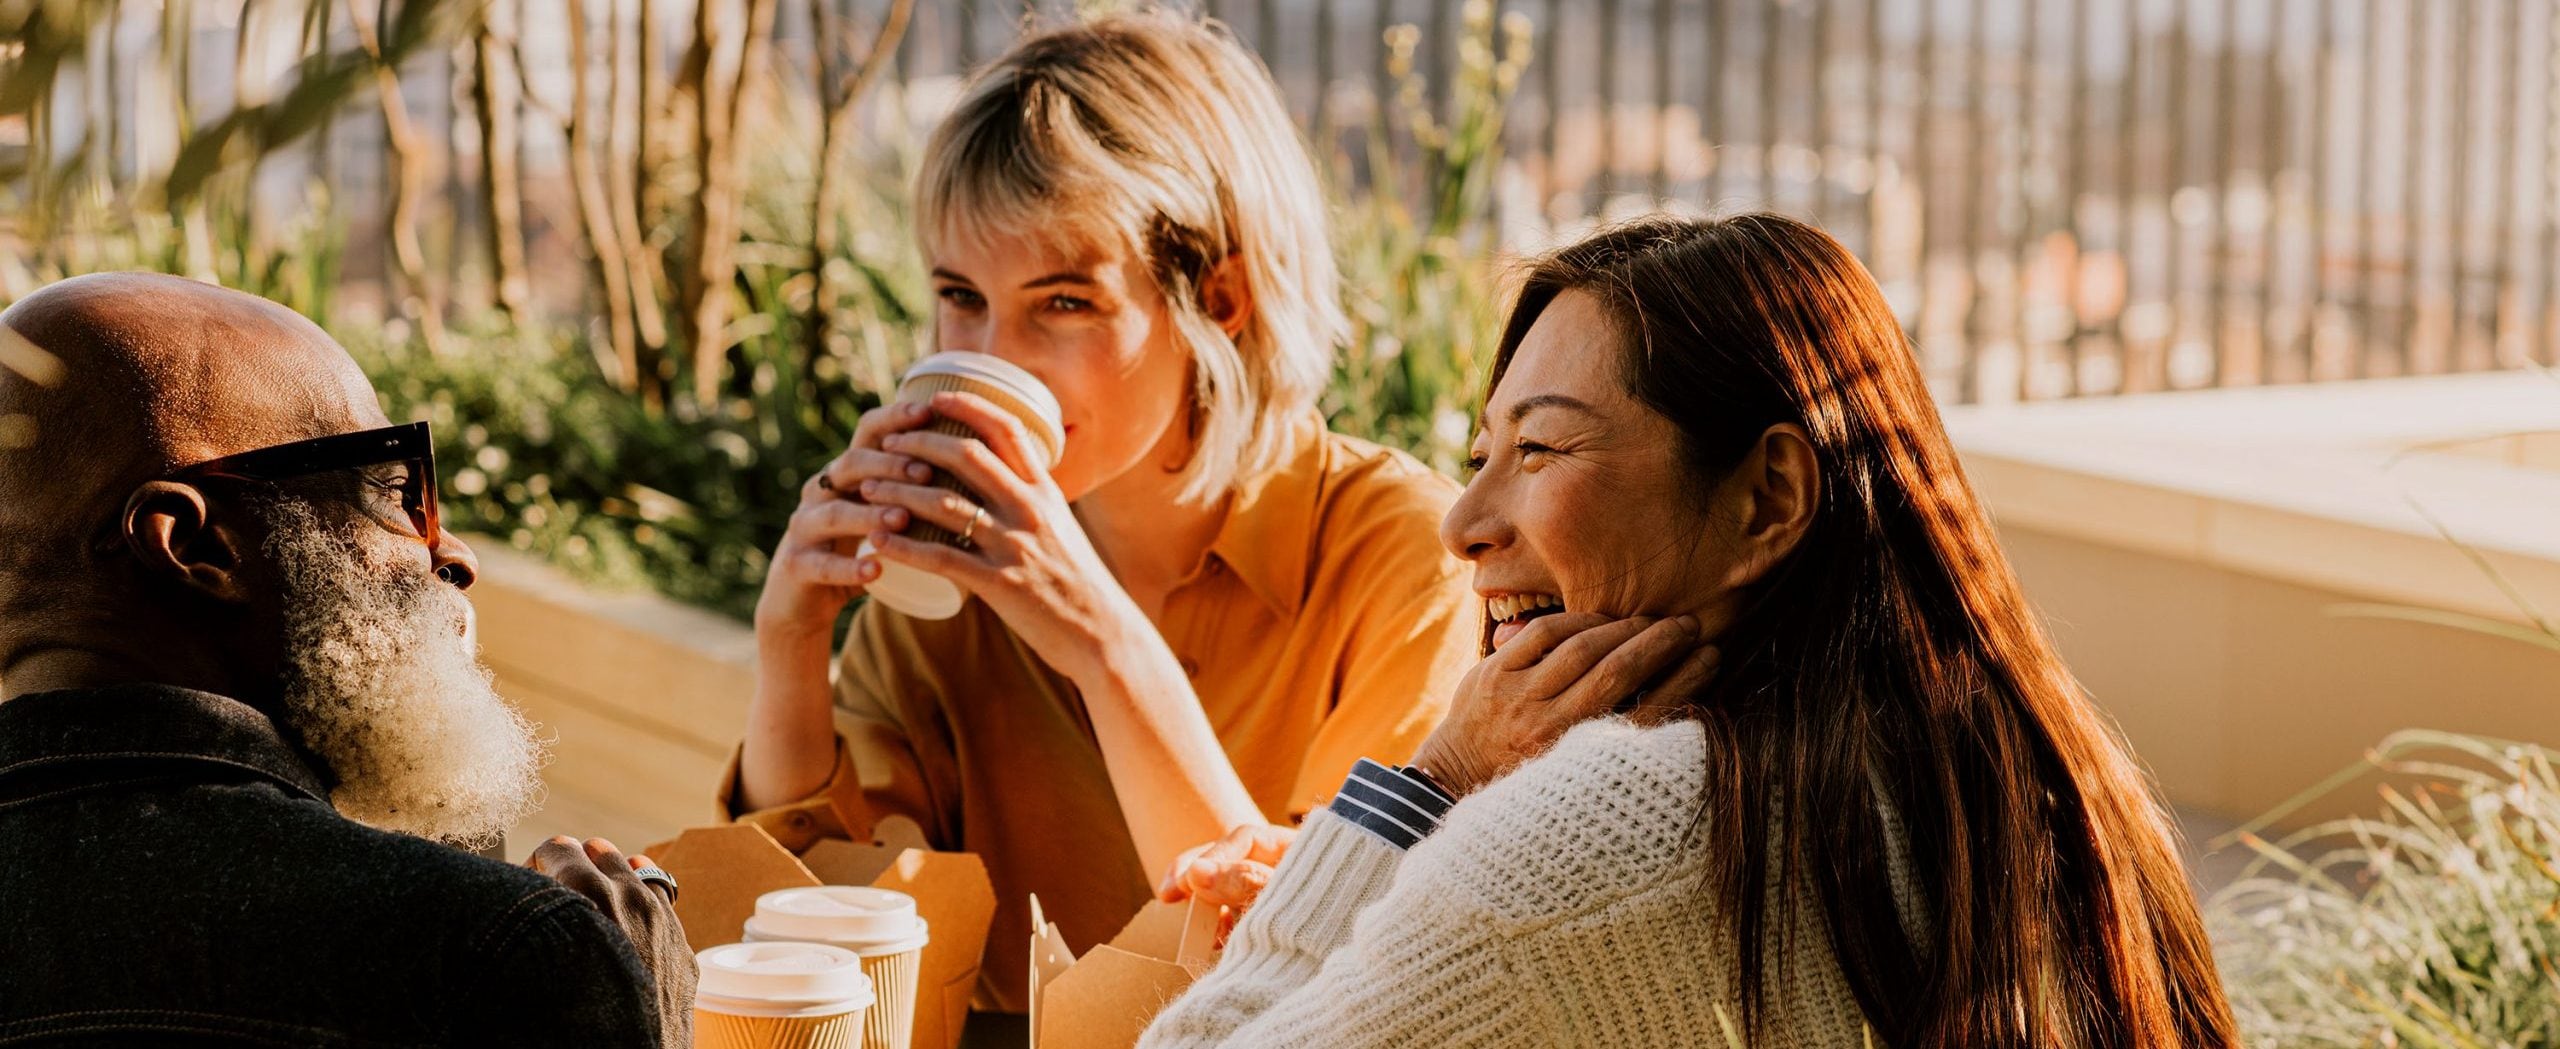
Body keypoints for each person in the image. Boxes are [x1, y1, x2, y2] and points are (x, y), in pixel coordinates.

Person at [1143, 215, 2240, 1048]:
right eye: (1480, 453)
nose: (1464, 523)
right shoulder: (2032, 781)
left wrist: (1432, 777)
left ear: (1766, 498)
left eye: (1540, 452)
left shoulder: (1616, 833)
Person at [727, 10, 1478, 1009]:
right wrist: (789, 644)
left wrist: (1100, 642)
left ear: (1221, 298)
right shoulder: (943, 582)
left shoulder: (1404, 556)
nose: (993, 356)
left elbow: (1320, 978)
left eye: (1063, 301)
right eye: (960, 294)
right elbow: (815, 935)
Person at [0, 273, 695, 1046]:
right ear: (198, 545)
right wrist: (638, 1007)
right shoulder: (499, 953)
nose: (453, 553)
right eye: (394, 488)